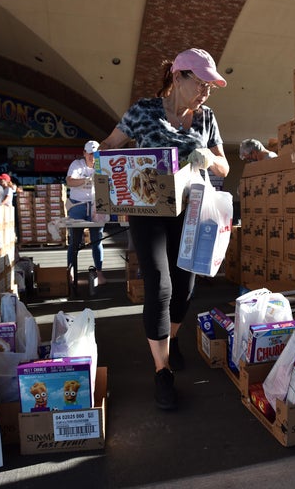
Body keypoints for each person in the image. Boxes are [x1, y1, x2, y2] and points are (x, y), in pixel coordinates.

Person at [98, 48, 230, 410]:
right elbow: (111, 146)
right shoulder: (143, 111)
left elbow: (225, 167)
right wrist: (97, 155)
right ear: (178, 77)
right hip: (148, 212)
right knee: (160, 283)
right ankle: (162, 371)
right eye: (200, 83)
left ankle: (170, 342)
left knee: (186, 286)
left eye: (210, 86)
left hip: (192, 212)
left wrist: (210, 159)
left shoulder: (206, 118)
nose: (205, 91)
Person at [65, 140, 106, 285]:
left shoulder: (103, 164)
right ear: (84, 153)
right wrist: (87, 180)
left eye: (95, 154)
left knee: (97, 240)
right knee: (74, 241)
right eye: (90, 154)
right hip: (78, 205)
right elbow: (69, 181)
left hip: (97, 205)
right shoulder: (77, 165)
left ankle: (99, 272)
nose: (92, 157)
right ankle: (70, 271)